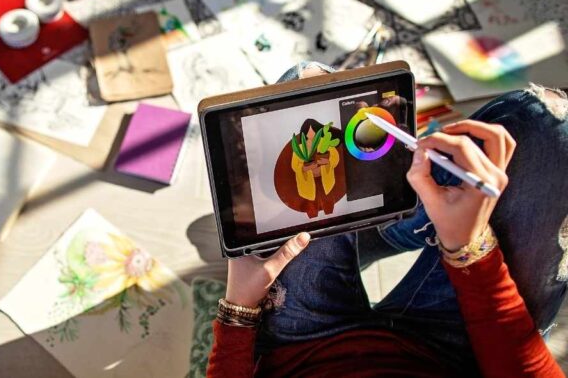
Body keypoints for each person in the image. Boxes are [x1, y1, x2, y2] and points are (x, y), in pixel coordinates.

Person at [207, 62, 568, 377]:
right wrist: (469, 248)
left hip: (304, 350)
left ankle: (375, 229)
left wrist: (238, 312)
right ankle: (380, 227)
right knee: (544, 123)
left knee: (308, 84)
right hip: (458, 356)